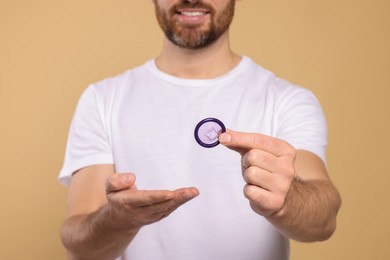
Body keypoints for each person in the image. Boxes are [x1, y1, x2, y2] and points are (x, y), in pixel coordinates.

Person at [59, 0, 341, 259]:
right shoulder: (102, 100)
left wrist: (286, 199)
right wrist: (117, 220)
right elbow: (79, 246)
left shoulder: (286, 100)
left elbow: (324, 220)